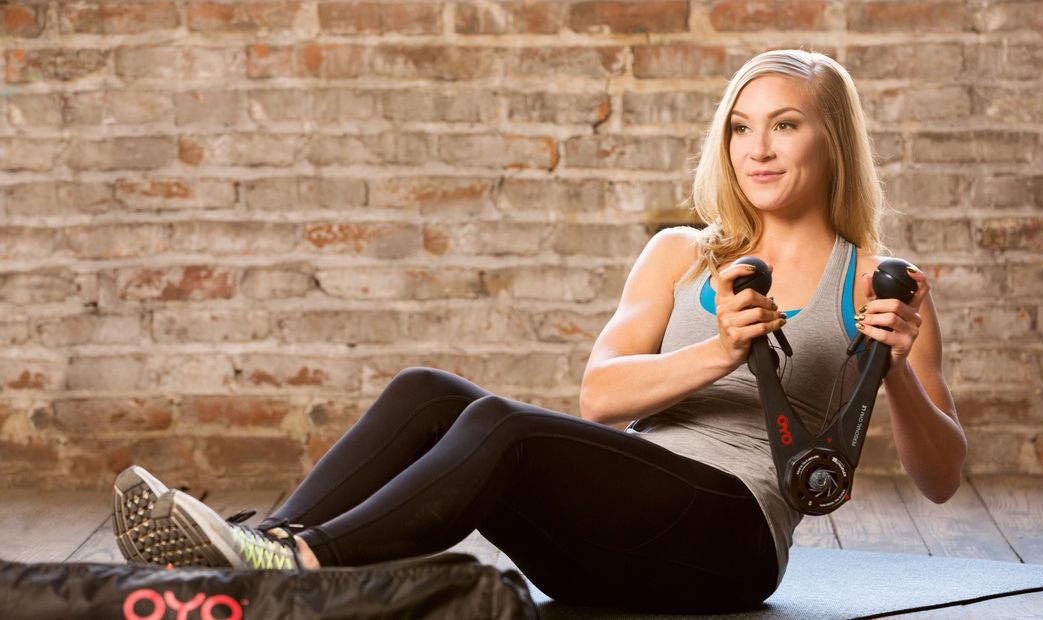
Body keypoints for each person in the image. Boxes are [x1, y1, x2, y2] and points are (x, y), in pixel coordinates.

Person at [111, 48, 966, 614]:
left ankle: (292, 567)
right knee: (426, 393)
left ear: (832, 140)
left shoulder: (882, 288)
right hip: (614, 529)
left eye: (785, 124)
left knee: (501, 427)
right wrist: (718, 350)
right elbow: (600, 399)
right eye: (741, 127)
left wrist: (886, 366)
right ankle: (260, 559)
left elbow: (940, 479)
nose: (758, 149)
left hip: (729, 544)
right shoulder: (682, 255)